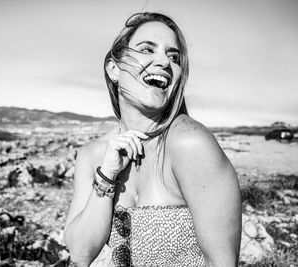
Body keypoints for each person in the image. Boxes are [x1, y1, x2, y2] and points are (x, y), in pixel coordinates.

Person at [64, 12, 241, 267]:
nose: (164, 62)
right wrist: (107, 175)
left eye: (174, 57)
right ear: (114, 69)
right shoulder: (92, 155)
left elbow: (222, 263)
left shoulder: (190, 145)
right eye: (147, 49)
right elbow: (80, 254)